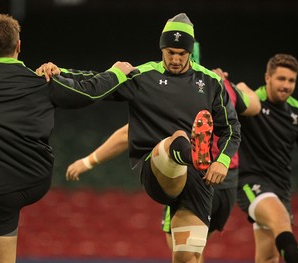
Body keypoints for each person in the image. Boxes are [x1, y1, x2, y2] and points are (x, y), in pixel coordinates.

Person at [39, 13, 241, 263]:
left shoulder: (211, 83)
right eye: (170, 52)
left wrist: (221, 160)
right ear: (161, 49)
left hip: (196, 182)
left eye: (181, 53)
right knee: (176, 140)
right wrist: (60, 72)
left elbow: (231, 128)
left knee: (188, 256)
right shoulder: (142, 76)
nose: (175, 59)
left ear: (190, 52)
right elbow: (93, 80)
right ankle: (189, 152)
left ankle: (193, 156)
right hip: (156, 168)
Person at [0, 14, 134, 263]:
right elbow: (89, 91)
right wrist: (116, 72)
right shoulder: (43, 81)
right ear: (19, 45)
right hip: (35, 181)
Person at [66, 69, 261, 263]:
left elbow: (125, 134)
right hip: (225, 182)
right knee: (192, 250)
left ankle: (187, 154)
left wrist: (88, 161)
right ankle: (189, 154)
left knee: (181, 249)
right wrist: (240, 87)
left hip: (189, 175)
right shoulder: (224, 87)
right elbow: (255, 106)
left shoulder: (175, 93)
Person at [236, 53, 298, 263]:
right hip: (251, 183)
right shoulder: (249, 101)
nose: (286, 85)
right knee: (280, 220)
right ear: (267, 78)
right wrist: (221, 82)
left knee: (269, 258)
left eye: (291, 80)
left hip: (281, 189)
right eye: (281, 79)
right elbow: (222, 99)